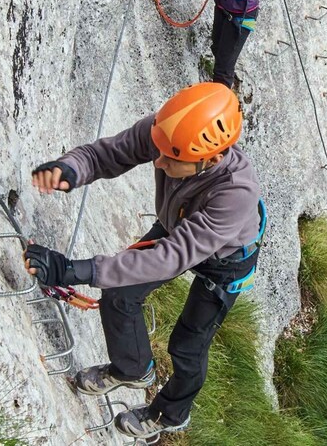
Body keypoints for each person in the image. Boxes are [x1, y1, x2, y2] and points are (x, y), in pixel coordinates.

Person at [25, 82, 265, 439]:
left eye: (172, 159)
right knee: (119, 294)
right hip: (178, 226)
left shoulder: (235, 194)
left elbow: (170, 258)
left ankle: (171, 414)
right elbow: (106, 155)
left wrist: (76, 270)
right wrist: (69, 169)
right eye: (161, 151)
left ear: (211, 159)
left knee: (187, 345)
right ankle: (132, 369)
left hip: (225, 261)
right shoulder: (168, 133)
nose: (158, 161)